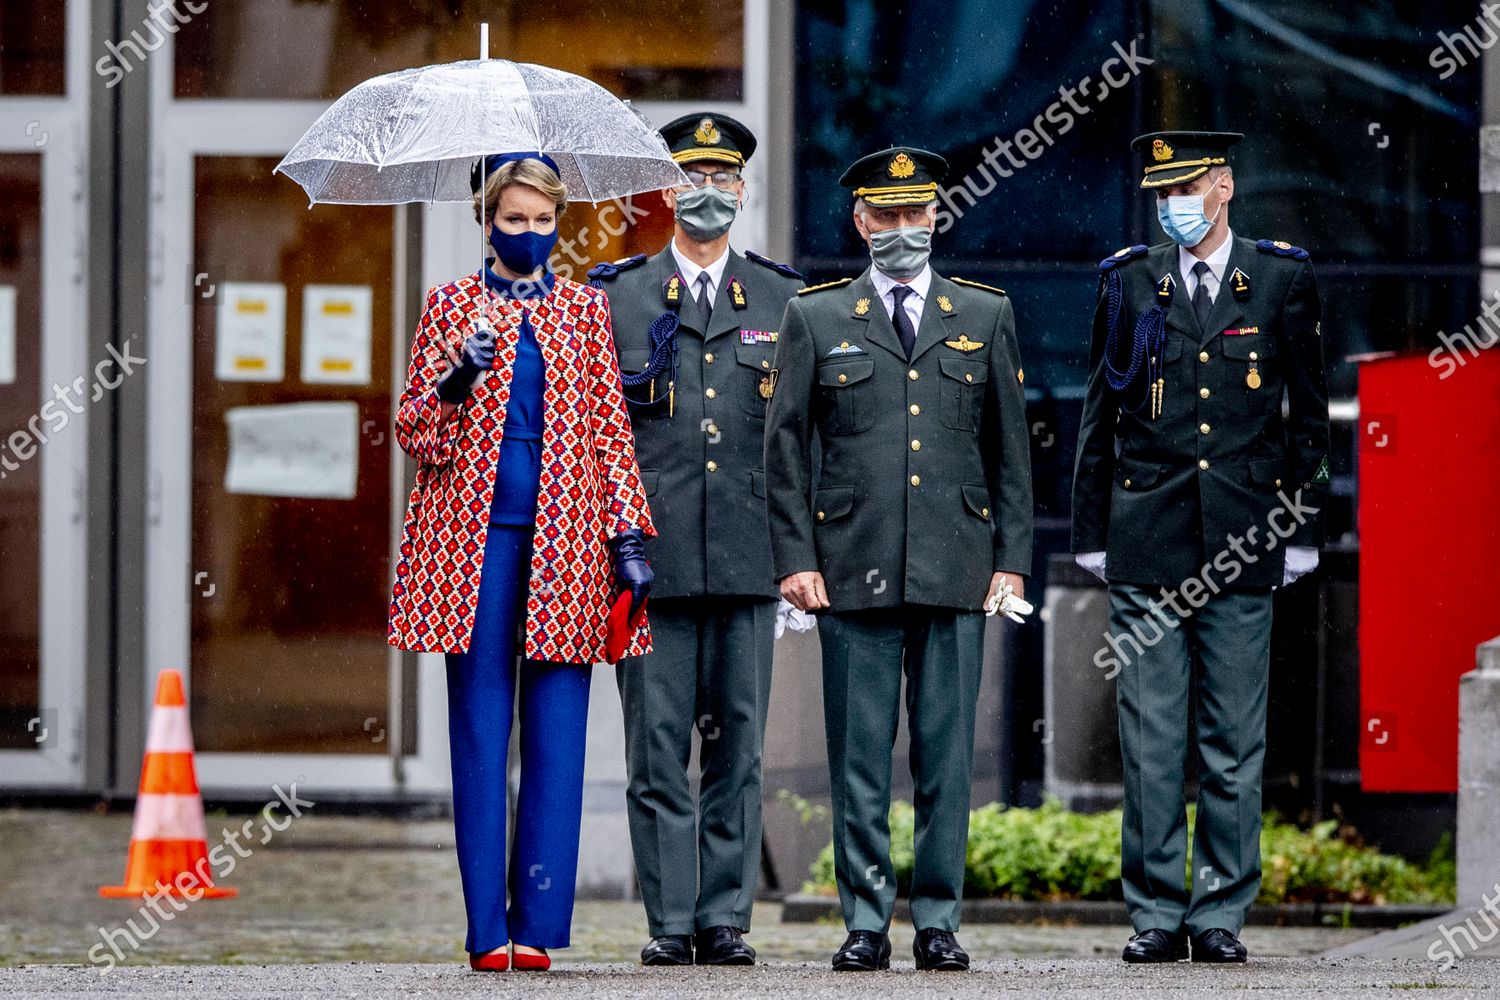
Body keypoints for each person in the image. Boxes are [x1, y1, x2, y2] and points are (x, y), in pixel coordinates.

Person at [764, 146, 1033, 972]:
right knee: (858, 757)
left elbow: (1011, 452)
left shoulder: (984, 313)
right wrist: (795, 558)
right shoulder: (815, 315)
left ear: (938, 215)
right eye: (887, 215)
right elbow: (785, 451)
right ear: (860, 221)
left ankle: (940, 921)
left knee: (948, 756)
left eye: (917, 213)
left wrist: (1012, 561)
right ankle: (865, 922)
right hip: (852, 563)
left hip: (957, 563)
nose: (904, 229)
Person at [386, 151, 656, 973]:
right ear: (485, 219)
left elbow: (610, 431)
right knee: (477, 732)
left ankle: (537, 924)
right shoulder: (446, 308)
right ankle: (484, 931)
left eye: (545, 222)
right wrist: (452, 383)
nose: (531, 234)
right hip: (468, 548)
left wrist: (630, 537)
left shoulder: (584, 311)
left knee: (559, 737)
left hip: (569, 544)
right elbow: (415, 437)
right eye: (516, 220)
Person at [1070, 131, 1330, 964]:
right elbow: (1098, 417)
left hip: (1245, 536)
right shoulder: (1127, 280)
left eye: (1186, 187)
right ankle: (1154, 910)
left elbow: (1310, 421)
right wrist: (1089, 536)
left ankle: (1219, 910)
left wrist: (1300, 527)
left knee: (1232, 739)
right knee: (1149, 740)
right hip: (1147, 537)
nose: (1171, 205)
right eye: (1160, 193)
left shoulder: (1282, 278)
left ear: (1223, 186)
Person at [588, 112, 804, 967]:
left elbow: (799, 443)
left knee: (738, 752)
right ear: (665, 191)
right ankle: (668, 922)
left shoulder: (786, 300)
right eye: (690, 178)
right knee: (656, 748)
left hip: (749, 559)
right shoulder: (616, 298)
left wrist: (799, 561)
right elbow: (591, 438)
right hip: (652, 559)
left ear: (743, 189)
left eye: (722, 179)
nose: (707, 192)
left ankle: (725, 918)